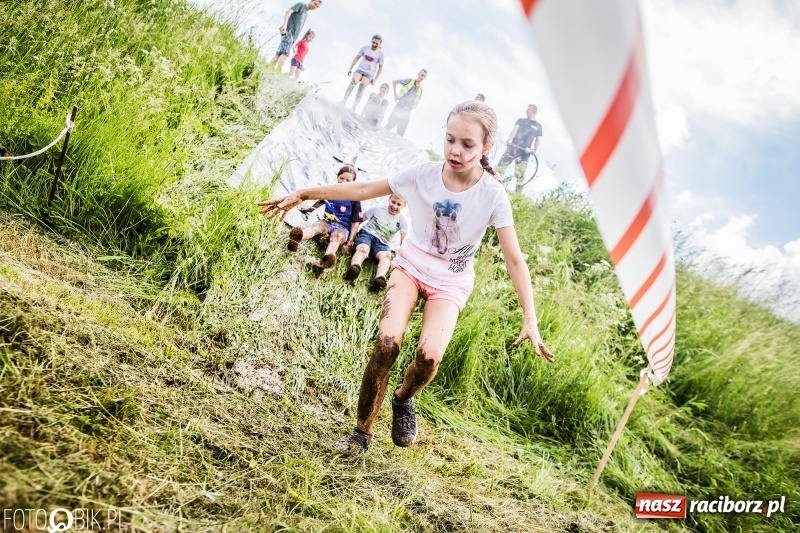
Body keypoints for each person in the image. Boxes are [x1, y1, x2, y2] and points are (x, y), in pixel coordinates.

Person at [258, 101, 555, 453]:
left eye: (467, 144)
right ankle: (360, 434)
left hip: (451, 281)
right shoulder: (423, 174)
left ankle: (403, 399)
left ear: (487, 148)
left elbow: (514, 259)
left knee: (429, 358)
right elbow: (363, 190)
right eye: (450, 140)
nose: (455, 150)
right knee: (386, 345)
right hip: (412, 265)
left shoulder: (492, 194)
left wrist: (530, 318)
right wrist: (305, 193)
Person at [287, 165, 365, 272]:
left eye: (348, 180)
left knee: (336, 237)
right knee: (317, 227)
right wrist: (309, 210)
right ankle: (297, 238)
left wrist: (350, 242)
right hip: (327, 222)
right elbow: (320, 201)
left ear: (353, 182)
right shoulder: (331, 191)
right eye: (342, 178)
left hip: (342, 228)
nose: (344, 182)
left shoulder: (355, 198)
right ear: (337, 177)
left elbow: (355, 222)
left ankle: (327, 258)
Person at [345, 194, 409, 291]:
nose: (394, 206)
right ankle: (355, 267)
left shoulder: (403, 221)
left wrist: (401, 258)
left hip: (382, 244)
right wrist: (350, 238)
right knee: (363, 249)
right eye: (393, 202)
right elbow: (359, 220)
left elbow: (403, 241)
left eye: (399, 204)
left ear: (404, 206)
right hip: (367, 235)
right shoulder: (377, 208)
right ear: (389, 199)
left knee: (386, 257)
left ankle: (379, 278)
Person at [497, 104, 543, 193]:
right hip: (513, 147)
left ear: (534, 111)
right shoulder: (521, 121)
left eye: (528, 109)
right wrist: (508, 140)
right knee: (500, 167)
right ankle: (492, 184)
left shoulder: (538, 126)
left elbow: (537, 139)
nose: (526, 111)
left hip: (524, 152)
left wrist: (534, 149)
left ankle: (517, 194)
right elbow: (514, 130)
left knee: (520, 174)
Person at [270, 1, 322, 72]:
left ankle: (268, 68)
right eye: (315, 4)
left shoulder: (306, 14)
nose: (315, 7)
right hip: (288, 32)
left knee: (279, 53)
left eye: (317, 7)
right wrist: (284, 24)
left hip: (292, 37)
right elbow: (288, 11)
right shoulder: (301, 5)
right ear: (311, 1)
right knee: (285, 53)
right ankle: (278, 71)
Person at [342, 35, 385, 111]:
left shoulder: (380, 54)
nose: (374, 45)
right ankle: (343, 102)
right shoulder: (365, 48)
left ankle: (354, 107)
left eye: (376, 44)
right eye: (373, 42)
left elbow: (380, 68)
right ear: (371, 41)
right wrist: (350, 68)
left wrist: (375, 79)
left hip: (369, 74)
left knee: (361, 89)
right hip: (360, 70)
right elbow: (356, 58)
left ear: (380, 45)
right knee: (352, 84)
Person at [384, 69, 427, 137]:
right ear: (418, 74)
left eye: (424, 76)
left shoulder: (421, 89)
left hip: (407, 111)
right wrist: (395, 95)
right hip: (400, 107)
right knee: (390, 124)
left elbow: (416, 100)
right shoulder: (409, 80)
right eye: (422, 75)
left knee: (400, 133)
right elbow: (394, 82)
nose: (422, 77)